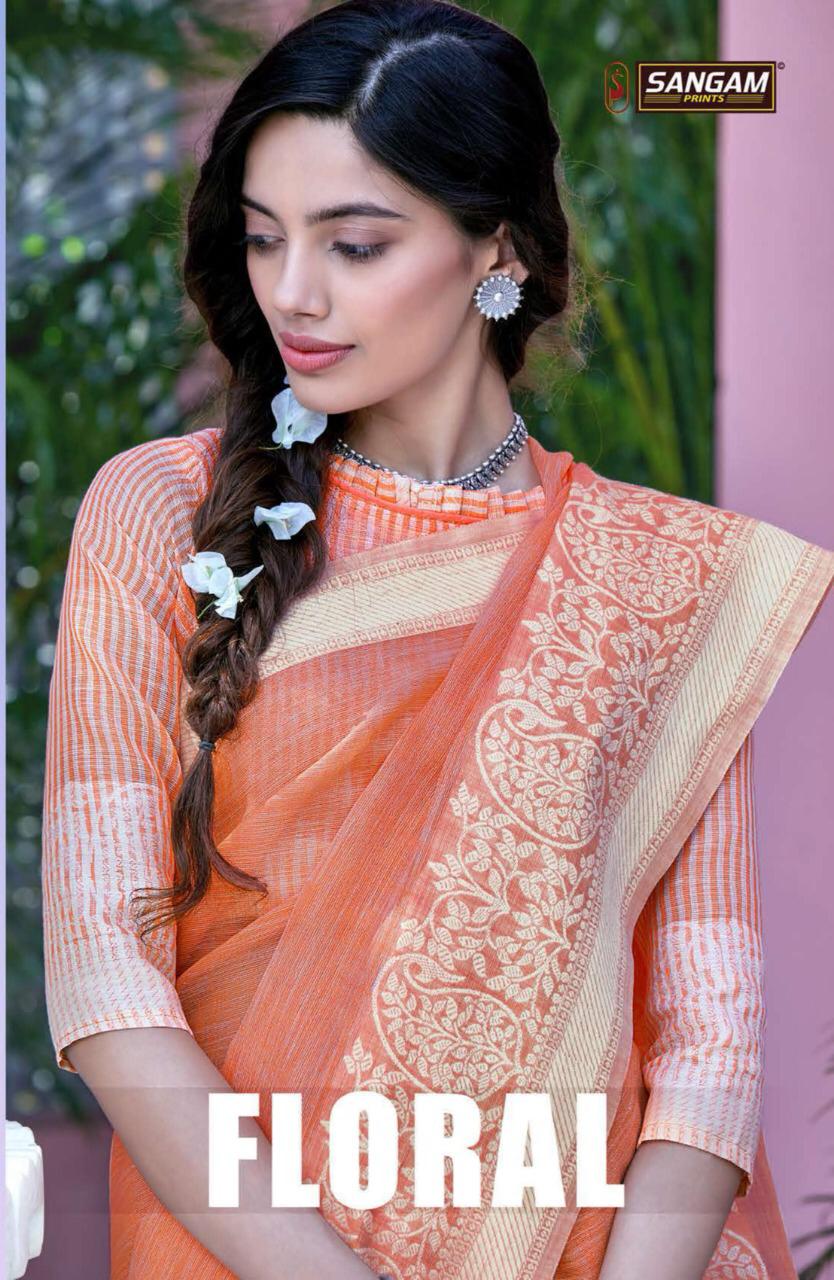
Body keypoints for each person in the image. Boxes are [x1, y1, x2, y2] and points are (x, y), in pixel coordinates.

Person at [40, 1, 834, 1277]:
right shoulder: (160, 512)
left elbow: (710, 1047)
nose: (293, 292)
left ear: (494, 249)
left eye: (355, 243)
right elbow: (104, 973)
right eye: (263, 237)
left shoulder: (654, 582)